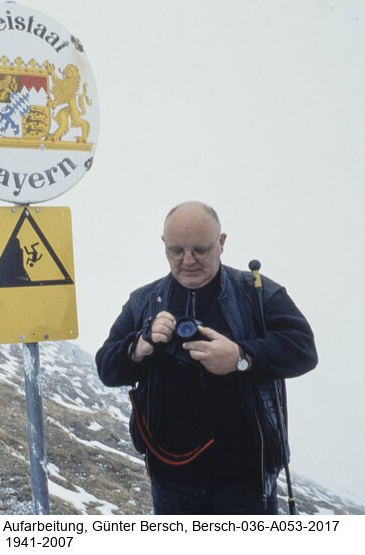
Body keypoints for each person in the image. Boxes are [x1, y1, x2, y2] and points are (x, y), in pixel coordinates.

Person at [95, 201, 317, 515]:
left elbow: (303, 349)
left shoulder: (256, 292)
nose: (188, 261)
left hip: (247, 482)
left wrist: (242, 357)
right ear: (164, 246)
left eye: (200, 249)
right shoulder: (144, 301)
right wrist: (140, 344)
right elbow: (107, 368)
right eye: (176, 250)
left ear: (222, 243)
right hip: (171, 481)